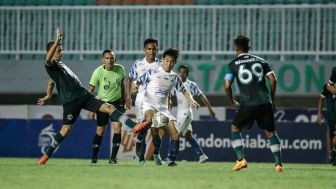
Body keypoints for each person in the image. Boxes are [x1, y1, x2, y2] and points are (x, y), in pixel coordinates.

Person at [36, 27, 150, 165]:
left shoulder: (60, 65)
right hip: (71, 102)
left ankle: (135, 126)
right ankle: (46, 155)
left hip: (84, 95)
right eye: (59, 50)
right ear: (51, 52)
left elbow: (51, 81)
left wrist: (48, 95)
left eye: (61, 49)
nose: (61, 51)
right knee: (65, 130)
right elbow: (47, 61)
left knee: (109, 107)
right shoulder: (50, 65)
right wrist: (57, 41)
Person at [224, 35, 283, 172]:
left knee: (235, 128)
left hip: (248, 102)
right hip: (265, 101)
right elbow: (273, 80)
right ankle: (278, 164)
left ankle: (241, 160)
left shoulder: (232, 65)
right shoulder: (261, 61)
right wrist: (272, 99)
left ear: (235, 48)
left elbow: (227, 85)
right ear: (249, 47)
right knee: (271, 133)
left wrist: (232, 101)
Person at [136, 48, 200, 166]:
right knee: (149, 121)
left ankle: (169, 159)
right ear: (162, 60)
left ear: (175, 62)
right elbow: (138, 82)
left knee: (174, 135)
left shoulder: (175, 77)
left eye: (172, 61)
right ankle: (141, 136)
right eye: (167, 60)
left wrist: (192, 100)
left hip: (162, 110)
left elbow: (184, 90)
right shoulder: (153, 71)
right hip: (149, 105)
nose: (169, 63)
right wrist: (135, 89)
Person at [167, 65, 216, 163]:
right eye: (180, 72)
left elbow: (202, 96)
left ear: (187, 74)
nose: (181, 74)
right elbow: (169, 93)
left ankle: (170, 158)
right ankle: (202, 156)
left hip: (186, 113)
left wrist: (210, 109)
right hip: (180, 114)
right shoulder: (176, 84)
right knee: (188, 136)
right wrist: (169, 101)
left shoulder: (191, 85)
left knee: (174, 134)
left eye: (184, 72)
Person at [126, 38, 162, 165]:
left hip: (156, 100)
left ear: (157, 49)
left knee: (155, 131)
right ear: (144, 50)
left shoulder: (161, 64)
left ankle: (156, 153)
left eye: (154, 49)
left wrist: (168, 99)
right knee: (143, 130)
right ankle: (141, 159)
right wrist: (128, 97)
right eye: (149, 49)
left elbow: (165, 83)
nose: (151, 51)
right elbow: (129, 79)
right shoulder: (138, 64)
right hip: (141, 99)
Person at [87, 49, 126, 164]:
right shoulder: (97, 72)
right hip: (102, 104)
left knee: (118, 128)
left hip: (116, 103)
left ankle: (113, 158)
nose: (110, 60)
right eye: (107, 58)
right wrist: (91, 108)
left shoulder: (121, 69)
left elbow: (122, 84)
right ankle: (94, 158)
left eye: (112, 58)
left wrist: (124, 100)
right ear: (103, 60)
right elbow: (91, 90)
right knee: (100, 130)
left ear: (115, 59)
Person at [317, 83, 336, 165]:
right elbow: (321, 99)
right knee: (330, 137)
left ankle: (333, 156)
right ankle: (331, 155)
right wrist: (319, 113)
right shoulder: (327, 87)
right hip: (331, 117)